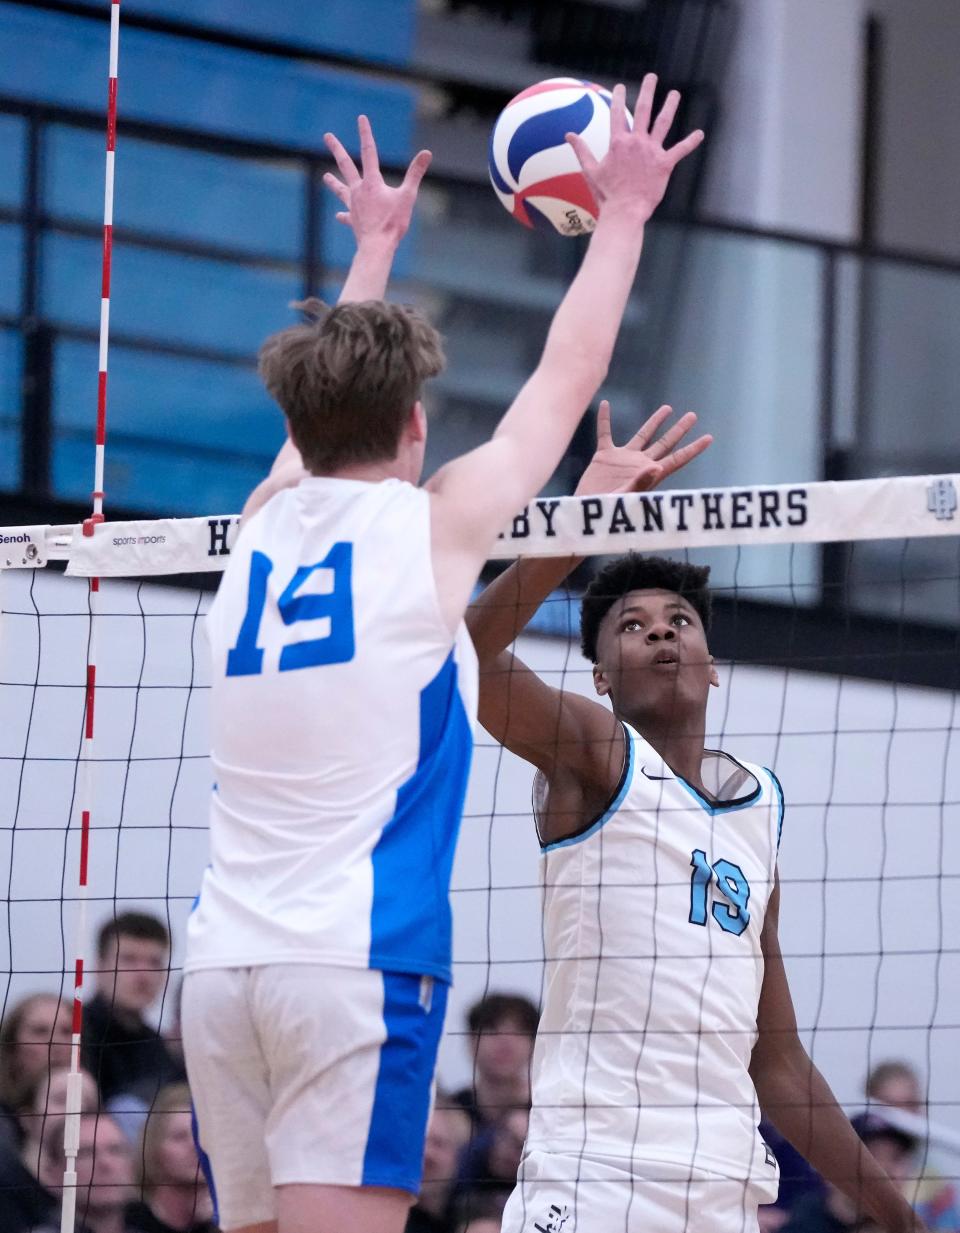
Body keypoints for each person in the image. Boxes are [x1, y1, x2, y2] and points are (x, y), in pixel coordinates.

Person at [182, 80, 705, 1233]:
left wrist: (371, 250)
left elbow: (319, 410)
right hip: (353, 970)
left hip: (221, 974)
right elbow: (567, 379)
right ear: (416, 428)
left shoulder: (263, 520)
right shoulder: (434, 524)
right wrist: (623, 210)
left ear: (300, 423)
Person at [465, 407, 924, 1233]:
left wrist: (901, 1218)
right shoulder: (593, 751)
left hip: (721, 1191)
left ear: (713, 668)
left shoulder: (760, 812)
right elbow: (466, 652)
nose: (663, 635)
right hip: (594, 1173)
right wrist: (582, 519)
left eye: (680, 622)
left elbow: (776, 1060)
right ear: (601, 674)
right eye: (633, 627)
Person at [82, 913, 181, 1108]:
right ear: (99, 967)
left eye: (154, 963)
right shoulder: (71, 1036)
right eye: (128, 960)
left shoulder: (160, 1050)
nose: (143, 975)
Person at [126, 1083, 216, 1233]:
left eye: (201, 1135)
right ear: (152, 1148)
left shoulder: (231, 1217)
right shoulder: (130, 1222)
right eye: (179, 1137)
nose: (195, 1146)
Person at [0, 993, 74, 1153]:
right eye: (40, 1031)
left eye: (66, 1031)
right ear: (12, 1046)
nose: (56, 1043)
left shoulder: (94, 1109)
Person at [452, 994, 538, 1131]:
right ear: (471, 1041)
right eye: (491, 1029)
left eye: (520, 1031)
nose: (505, 1042)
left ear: (534, 1045)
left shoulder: (548, 1110)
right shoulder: (449, 1111)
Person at [406, 1103, 472, 1233]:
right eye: (419, 1141)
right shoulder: (377, 1214)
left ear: (459, 1157)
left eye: (438, 1144)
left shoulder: (469, 1219)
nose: (426, 1152)